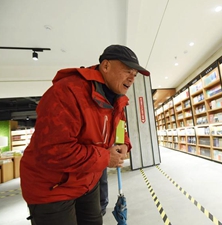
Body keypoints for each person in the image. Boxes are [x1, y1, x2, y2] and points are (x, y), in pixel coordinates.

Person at [20, 44, 150, 225]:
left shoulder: (117, 100)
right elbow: (54, 151)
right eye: (128, 71)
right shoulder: (68, 92)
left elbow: (119, 127)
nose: (132, 78)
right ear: (105, 66)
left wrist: (124, 144)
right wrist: (106, 158)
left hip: (88, 180)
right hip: (53, 188)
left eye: (135, 75)